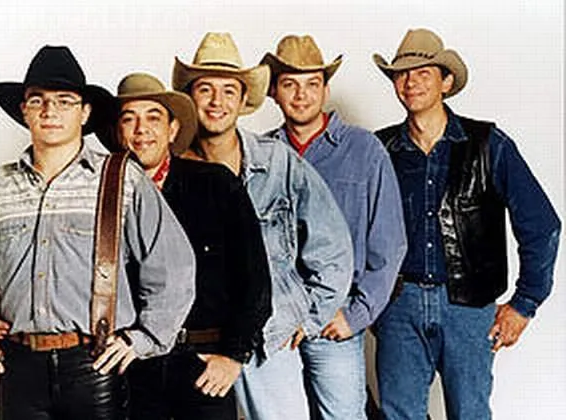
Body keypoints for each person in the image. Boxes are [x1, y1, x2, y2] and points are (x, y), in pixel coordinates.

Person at [0, 45, 196, 420]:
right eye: (37, 100)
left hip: (94, 364)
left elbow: (173, 267)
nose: (50, 110)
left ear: (85, 112)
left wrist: (143, 339)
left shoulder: (121, 180)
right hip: (18, 366)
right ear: (24, 110)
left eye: (64, 101)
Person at [372, 28, 561, 419]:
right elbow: (356, 231)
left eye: (423, 73)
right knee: (398, 415)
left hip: (469, 308)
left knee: (470, 413)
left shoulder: (489, 143)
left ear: (446, 82)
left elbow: (542, 225)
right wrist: (367, 301)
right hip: (398, 305)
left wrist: (524, 304)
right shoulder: (379, 149)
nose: (411, 82)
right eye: (402, 74)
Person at [171, 32, 354, 420]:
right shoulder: (171, 170)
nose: (217, 102)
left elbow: (332, 246)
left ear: (243, 101)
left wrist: (309, 317)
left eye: (228, 91)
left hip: (268, 335)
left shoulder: (278, 162)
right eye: (205, 90)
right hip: (194, 340)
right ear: (189, 98)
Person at [104, 72, 272, 419]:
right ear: (118, 133)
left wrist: (233, 356)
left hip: (204, 359)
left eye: (154, 118)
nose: (142, 130)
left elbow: (254, 279)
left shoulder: (215, 184)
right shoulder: (103, 196)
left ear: (173, 130)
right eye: (129, 119)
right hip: (132, 365)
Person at [260, 34, 407, 420]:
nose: (301, 95)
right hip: (276, 315)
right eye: (289, 84)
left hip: (335, 312)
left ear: (325, 90)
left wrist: (356, 315)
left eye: (312, 84)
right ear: (274, 92)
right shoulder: (261, 155)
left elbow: (389, 244)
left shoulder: (364, 149)